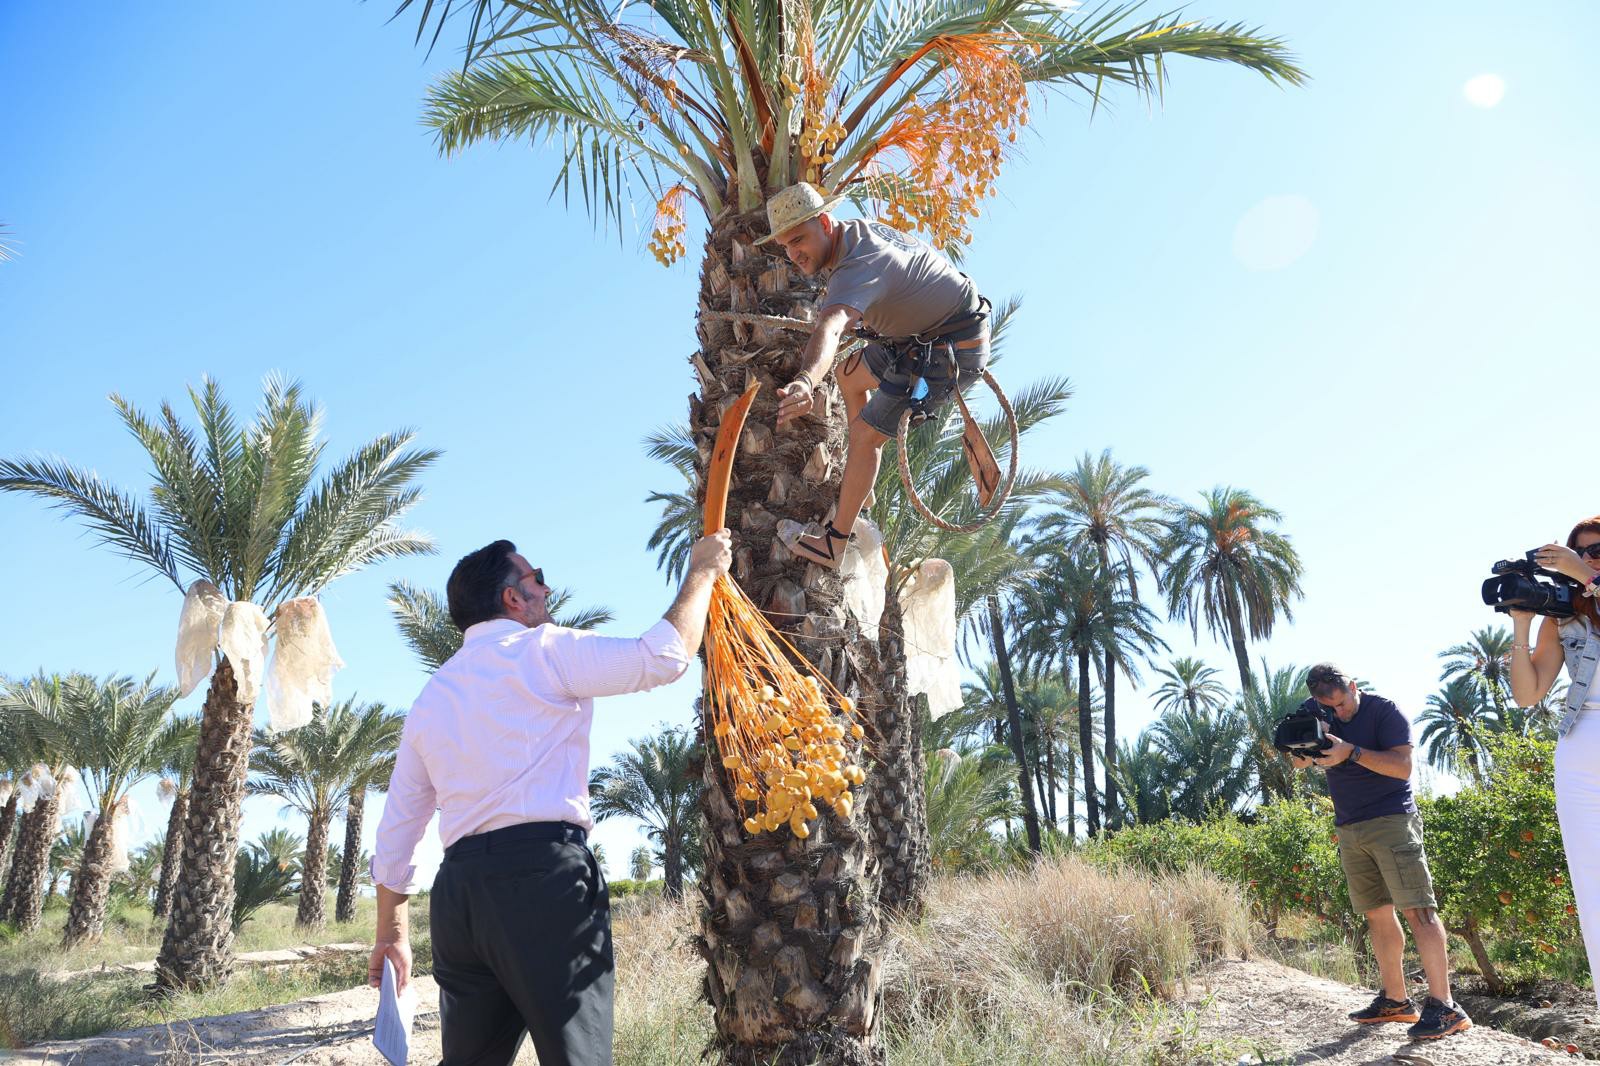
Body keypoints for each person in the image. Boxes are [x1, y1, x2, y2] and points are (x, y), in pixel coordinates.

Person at [367, 529, 733, 1066]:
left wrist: (392, 933)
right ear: (512, 598)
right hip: (542, 881)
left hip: (459, 897)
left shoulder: (433, 695)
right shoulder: (545, 649)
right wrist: (703, 569)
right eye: (537, 579)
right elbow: (663, 657)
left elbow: (400, 825)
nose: (546, 589)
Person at [758, 182, 992, 568]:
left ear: (825, 222)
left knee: (867, 436)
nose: (793, 253)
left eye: (799, 239)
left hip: (949, 348)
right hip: (916, 336)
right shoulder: (854, 234)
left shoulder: (856, 267)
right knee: (850, 375)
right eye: (785, 245)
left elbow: (831, 326)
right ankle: (860, 479)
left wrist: (804, 381)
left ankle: (834, 543)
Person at [1289, 662, 1472, 1041]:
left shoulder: (1384, 711)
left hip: (1392, 821)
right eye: (1329, 708)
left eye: (1341, 705)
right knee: (1377, 915)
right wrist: (1307, 744)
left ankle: (1445, 1005)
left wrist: (1349, 752)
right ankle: (1396, 1000)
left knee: (1418, 910)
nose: (1337, 714)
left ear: (1354, 686)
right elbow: (1297, 762)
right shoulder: (1316, 712)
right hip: (1349, 827)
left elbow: (1403, 767)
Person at [1507, 515, 1600, 1012]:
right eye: (1579, 552)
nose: (1587, 557)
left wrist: (1586, 577)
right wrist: (1522, 624)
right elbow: (1528, 693)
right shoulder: (1564, 616)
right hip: (1580, 744)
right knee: (1592, 885)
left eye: (1597, 550)